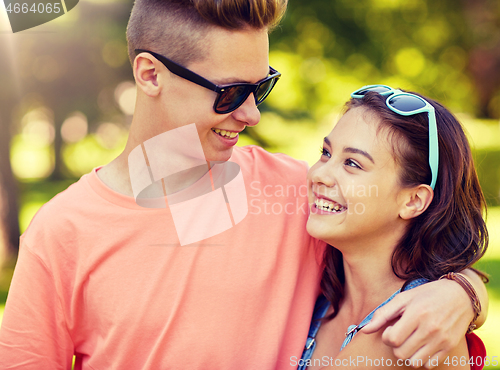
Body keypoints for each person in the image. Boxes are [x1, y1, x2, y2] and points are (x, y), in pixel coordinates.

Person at [0, 2, 488, 369]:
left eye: (261, 87)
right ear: (150, 74)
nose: (251, 114)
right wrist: (465, 296)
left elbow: (405, 237)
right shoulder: (61, 233)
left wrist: (460, 293)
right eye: (230, 93)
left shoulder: (301, 195)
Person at [298, 85, 488, 369]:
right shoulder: (320, 295)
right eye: (326, 153)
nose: (318, 174)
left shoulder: (416, 333)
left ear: (413, 200)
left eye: (352, 163)